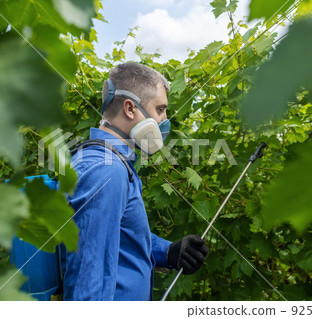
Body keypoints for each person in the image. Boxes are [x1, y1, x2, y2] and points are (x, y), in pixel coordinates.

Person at [59, 62, 209, 300]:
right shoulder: (105, 171)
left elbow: (116, 238)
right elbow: (88, 282)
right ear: (130, 108)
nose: (165, 119)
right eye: (160, 109)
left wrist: (167, 252)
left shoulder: (113, 161)